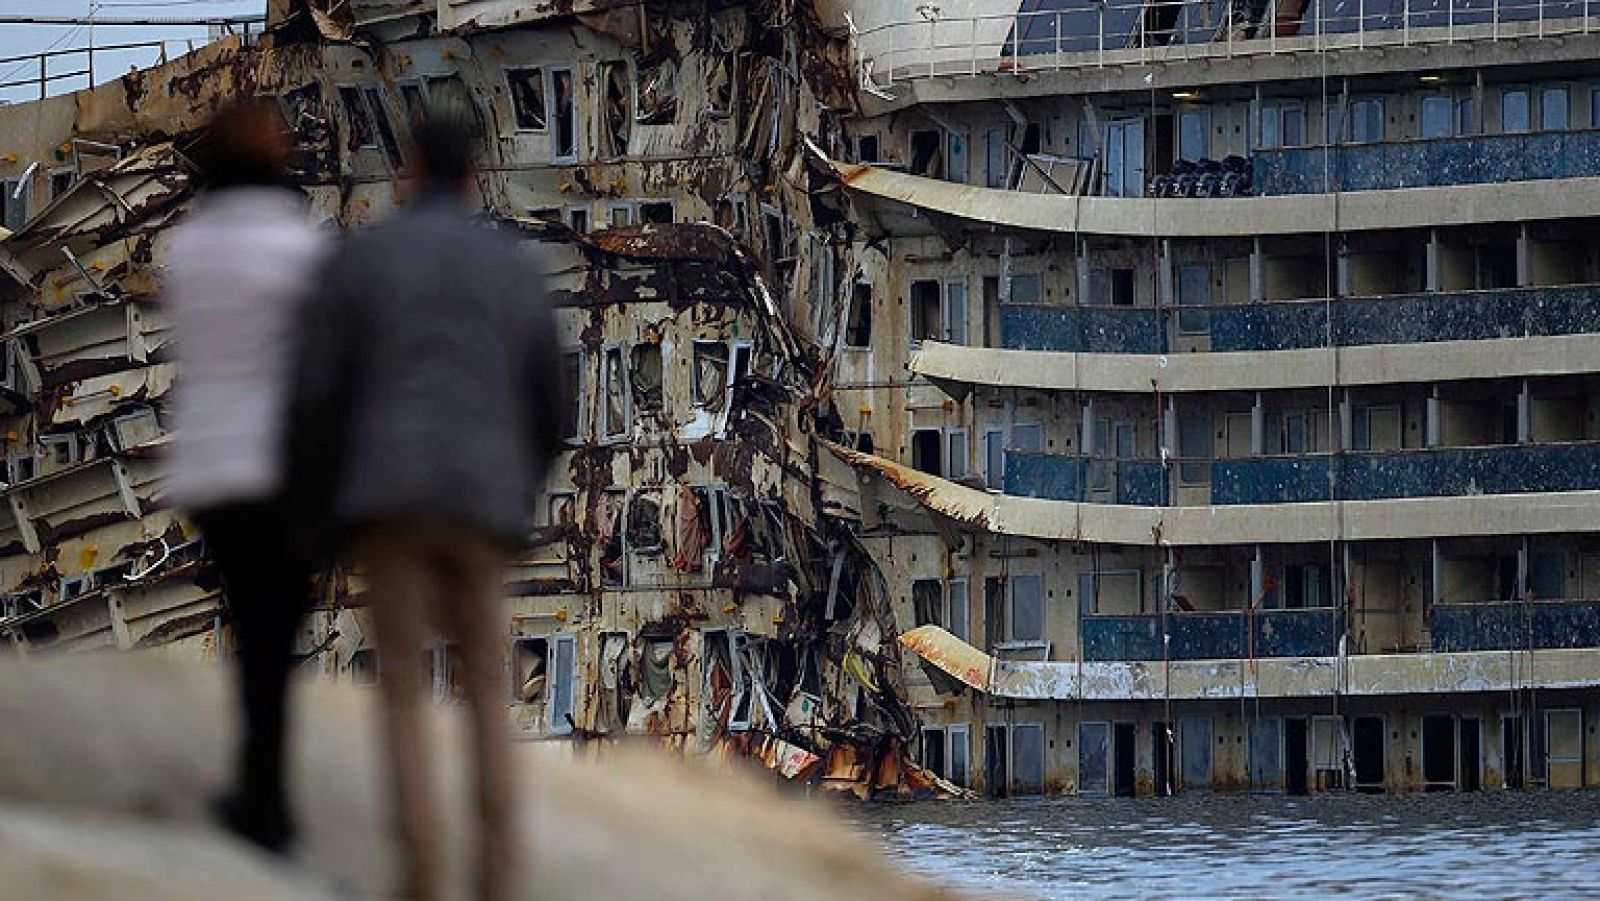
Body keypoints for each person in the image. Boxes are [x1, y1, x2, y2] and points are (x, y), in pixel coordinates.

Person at [288, 109, 564, 900]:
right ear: (475, 176)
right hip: (483, 501)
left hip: (389, 499)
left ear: (408, 171)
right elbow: (550, 397)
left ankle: (418, 871)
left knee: (403, 687)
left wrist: (330, 500)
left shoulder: (367, 258)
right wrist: (520, 491)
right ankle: (497, 873)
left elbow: (321, 389)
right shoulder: (511, 267)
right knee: (487, 686)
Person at [164, 99, 328, 853]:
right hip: (282, 470)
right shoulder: (299, 249)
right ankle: (270, 801)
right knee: (276, 638)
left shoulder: (189, 249)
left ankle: (254, 789)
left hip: (212, 470)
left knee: (245, 625)